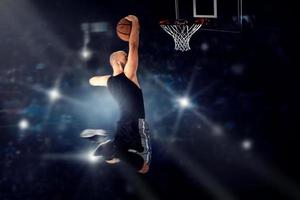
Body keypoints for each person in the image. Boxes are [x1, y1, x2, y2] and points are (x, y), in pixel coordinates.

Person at [83, 15, 151, 174]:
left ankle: (108, 146)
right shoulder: (128, 74)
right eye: (126, 57)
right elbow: (133, 45)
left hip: (127, 124)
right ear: (122, 62)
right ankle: (108, 145)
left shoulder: (110, 81)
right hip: (131, 123)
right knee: (143, 168)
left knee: (115, 159)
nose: (129, 57)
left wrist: (100, 78)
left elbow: (92, 81)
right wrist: (135, 23)